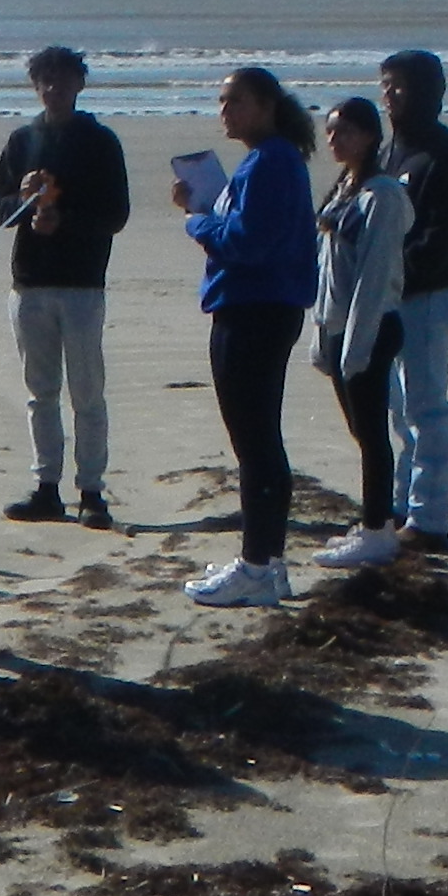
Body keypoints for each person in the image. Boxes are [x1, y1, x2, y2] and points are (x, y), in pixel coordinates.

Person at [172, 64, 319, 606]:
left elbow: (246, 241)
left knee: (254, 442)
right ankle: (266, 559)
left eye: (234, 101)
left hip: (255, 309)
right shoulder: (263, 161)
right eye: (221, 101)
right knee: (258, 440)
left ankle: (259, 564)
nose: (224, 111)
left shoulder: (273, 161)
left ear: (264, 105)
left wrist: (197, 219)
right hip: (256, 306)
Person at [0, 43, 132, 528]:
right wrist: (23, 203)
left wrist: (62, 220)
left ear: (79, 85)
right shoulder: (22, 140)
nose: (53, 89)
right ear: (36, 86)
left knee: (87, 391)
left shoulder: (99, 142)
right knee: (39, 391)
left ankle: (92, 490)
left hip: (82, 282)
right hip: (30, 281)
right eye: (45, 81)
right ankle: (46, 486)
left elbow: (116, 214)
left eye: (63, 80)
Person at [373, 46, 448, 553]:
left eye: (401, 86)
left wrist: (394, 274)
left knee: (427, 411)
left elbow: (437, 240)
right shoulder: (389, 154)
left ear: (430, 92)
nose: (391, 96)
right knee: (398, 414)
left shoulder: (446, 155)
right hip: (389, 301)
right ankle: (402, 507)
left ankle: (430, 519)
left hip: (427, 300)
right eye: (385, 85)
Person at [305, 95, 415, 567]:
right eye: (330, 131)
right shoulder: (344, 187)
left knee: (372, 432)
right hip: (336, 326)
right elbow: (327, 263)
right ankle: (374, 520)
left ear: (370, 136)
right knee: (359, 429)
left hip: (368, 329)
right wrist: (321, 334)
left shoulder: (383, 196)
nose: (335, 139)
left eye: (345, 131)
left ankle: (377, 531)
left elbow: (375, 278)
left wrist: (356, 345)